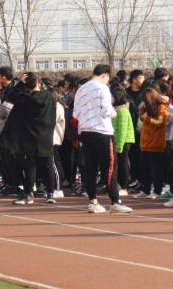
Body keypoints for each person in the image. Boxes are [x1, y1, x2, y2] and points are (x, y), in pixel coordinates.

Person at [73, 64, 129, 213]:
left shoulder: (81, 89)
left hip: (85, 131)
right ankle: (115, 202)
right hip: (102, 131)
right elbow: (106, 110)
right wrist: (114, 112)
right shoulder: (102, 88)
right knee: (110, 167)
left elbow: (75, 113)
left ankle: (93, 202)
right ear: (105, 75)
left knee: (90, 167)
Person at [11, 72, 62, 206]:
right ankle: (50, 193)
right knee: (47, 166)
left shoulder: (24, 98)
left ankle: (29, 194)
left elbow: (10, 97)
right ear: (38, 82)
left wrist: (19, 84)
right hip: (46, 135)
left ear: (26, 85)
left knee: (29, 167)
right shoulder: (49, 97)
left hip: (29, 136)